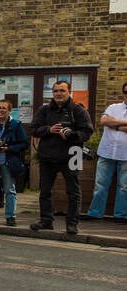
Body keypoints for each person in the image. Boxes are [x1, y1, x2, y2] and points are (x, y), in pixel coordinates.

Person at [30, 79, 93, 237]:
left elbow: (87, 131)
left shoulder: (77, 110)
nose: (58, 94)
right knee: (45, 191)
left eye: (62, 91)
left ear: (69, 92)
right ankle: (46, 221)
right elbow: (34, 129)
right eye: (56, 91)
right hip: (47, 155)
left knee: (74, 191)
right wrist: (49, 130)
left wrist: (71, 135)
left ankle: (72, 224)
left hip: (73, 154)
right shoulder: (44, 110)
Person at [87, 81, 127, 222]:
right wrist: (124, 124)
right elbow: (103, 120)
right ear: (123, 93)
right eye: (126, 92)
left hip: (126, 154)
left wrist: (114, 124)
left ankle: (119, 216)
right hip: (107, 152)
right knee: (100, 185)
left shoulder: (113, 112)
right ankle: (95, 213)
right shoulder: (113, 107)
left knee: (124, 187)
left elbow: (109, 122)